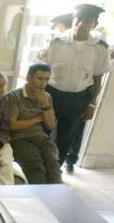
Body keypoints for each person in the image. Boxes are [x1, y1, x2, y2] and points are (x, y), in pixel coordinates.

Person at [40, 4, 111, 172]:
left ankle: (55, 170)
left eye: (87, 21)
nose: (81, 25)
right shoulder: (57, 42)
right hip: (53, 94)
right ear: (73, 20)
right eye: (78, 20)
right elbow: (44, 70)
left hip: (78, 98)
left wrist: (92, 104)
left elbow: (98, 77)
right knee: (44, 132)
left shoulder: (100, 47)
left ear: (94, 24)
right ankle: (40, 167)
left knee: (66, 138)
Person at [6, 63, 61, 184]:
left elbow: (50, 125)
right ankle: (38, 197)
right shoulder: (14, 96)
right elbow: (13, 125)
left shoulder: (47, 97)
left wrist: (45, 105)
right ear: (28, 78)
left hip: (41, 138)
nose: (43, 83)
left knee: (53, 166)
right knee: (36, 168)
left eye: (46, 79)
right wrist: (39, 118)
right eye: (39, 78)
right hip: (20, 139)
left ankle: (55, 198)